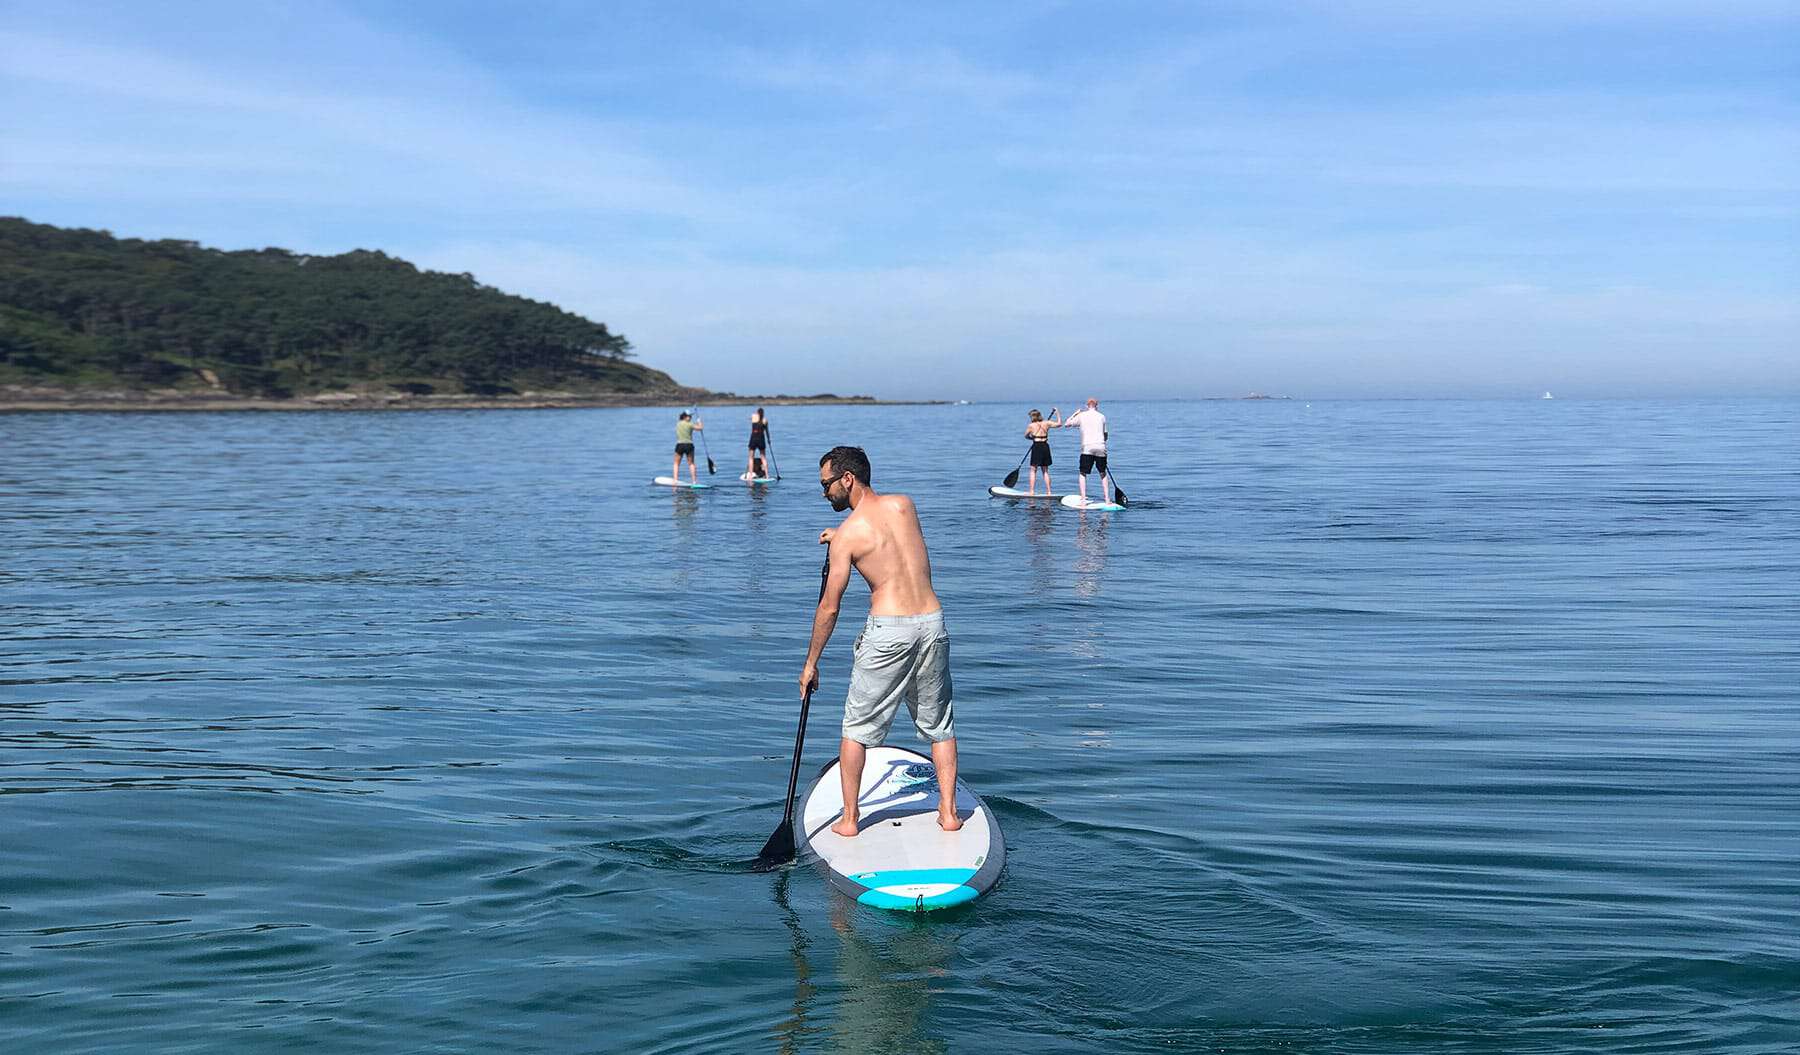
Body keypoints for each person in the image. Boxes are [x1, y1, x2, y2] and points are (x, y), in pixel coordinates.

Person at [800, 446, 962, 837]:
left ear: (847, 479)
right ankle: (949, 814)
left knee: (857, 729)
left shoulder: (849, 538)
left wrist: (811, 663)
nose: (825, 494)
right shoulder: (905, 506)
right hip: (932, 623)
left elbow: (829, 608)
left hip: (890, 631)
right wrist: (844, 535)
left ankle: (850, 821)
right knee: (940, 726)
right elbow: (889, 540)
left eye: (826, 485)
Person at [1058, 398, 1112, 504]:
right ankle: (1107, 499)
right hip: (1101, 446)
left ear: (1087, 406)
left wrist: (1075, 413)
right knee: (1102, 473)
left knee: (1083, 473)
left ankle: (1083, 498)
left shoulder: (1082, 416)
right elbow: (1105, 435)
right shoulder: (1102, 416)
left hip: (1087, 447)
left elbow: (1067, 424)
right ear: (1097, 406)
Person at [1022, 407, 1061, 495]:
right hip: (1045, 447)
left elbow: (1026, 436)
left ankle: (1031, 491)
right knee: (1045, 470)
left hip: (1036, 447)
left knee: (1033, 470)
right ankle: (1049, 491)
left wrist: (1032, 437)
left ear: (1032, 417)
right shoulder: (1047, 423)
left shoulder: (1031, 426)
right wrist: (1057, 413)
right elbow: (1059, 424)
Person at [672, 411, 703, 484]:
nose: (690, 417)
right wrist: (699, 422)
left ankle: (693, 481)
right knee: (680, 463)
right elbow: (700, 428)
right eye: (688, 416)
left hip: (680, 445)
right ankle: (677, 480)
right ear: (684, 416)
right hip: (688, 445)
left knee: (688, 463)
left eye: (690, 416)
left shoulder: (678, 424)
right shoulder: (690, 424)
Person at [746, 408, 772, 481]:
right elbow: (767, 432)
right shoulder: (765, 420)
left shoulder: (753, 416)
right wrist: (769, 440)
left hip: (753, 439)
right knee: (763, 458)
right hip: (761, 440)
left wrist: (752, 417)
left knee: (751, 458)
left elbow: (750, 417)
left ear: (757, 412)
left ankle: (750, 475)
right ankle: (767, 475)